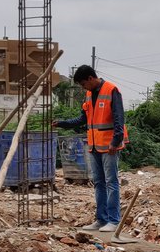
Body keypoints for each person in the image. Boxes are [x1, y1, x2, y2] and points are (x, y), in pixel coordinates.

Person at [53, 65, 127, 231]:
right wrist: (63, 123)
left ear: (90, 78)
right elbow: (83, 119)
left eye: (83, 84)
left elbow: (119, 120)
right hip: (94, 145)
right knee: (98, 182)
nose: (82, 87)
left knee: (111, 182)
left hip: (109, 146)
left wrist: (115, 142)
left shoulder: (111, 90)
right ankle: (101, 219)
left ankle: (114, 221)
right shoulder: (88, 94)